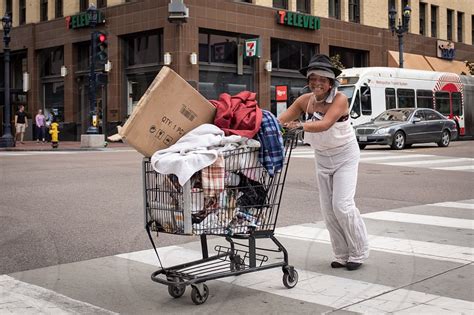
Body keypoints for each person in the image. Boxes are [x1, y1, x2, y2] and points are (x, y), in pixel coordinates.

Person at [278, 54, 369, 271]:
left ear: (330, 83)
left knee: (342, 206)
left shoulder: (340, 100)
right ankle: (341, 254)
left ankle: (358, 252)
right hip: (322, 158)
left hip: (345, 156)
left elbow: (326, 124)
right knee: (328, 210)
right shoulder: (304, 101)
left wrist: (299, 125)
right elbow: (281, 120)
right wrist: (264, 124)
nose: (317, 83)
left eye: (323, 79)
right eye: (313, 78)